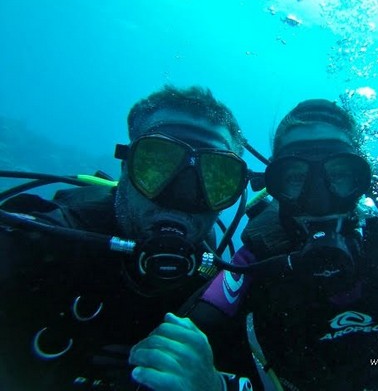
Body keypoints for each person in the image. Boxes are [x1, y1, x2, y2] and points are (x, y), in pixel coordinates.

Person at [128, 99, 378, 391]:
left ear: (366, 178)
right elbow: (177, 355)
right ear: (274, 182)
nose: (319, 197)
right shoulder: (258, 256)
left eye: (340, 174)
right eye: (295, 177)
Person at [0, 85, 250, 390]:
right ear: (125, 167)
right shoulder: (39, 242)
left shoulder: (218, 289)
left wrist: (214, 385)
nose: (181, 196)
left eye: (215, 177)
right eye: (157, 163)